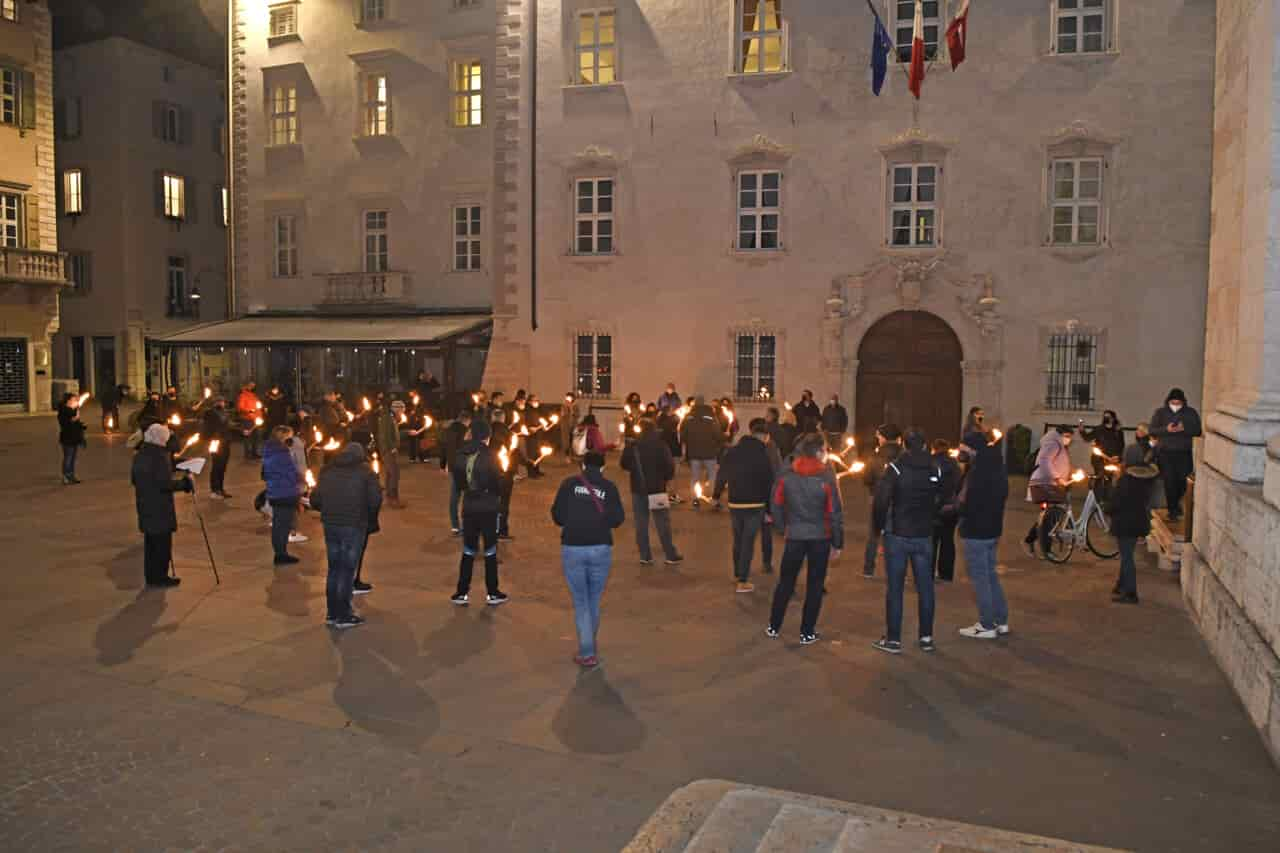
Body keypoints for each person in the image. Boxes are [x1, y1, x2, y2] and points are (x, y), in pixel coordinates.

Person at [766, 434, 844, 644]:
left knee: (785, 581)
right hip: (821, 537)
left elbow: (776, 503)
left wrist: (783, 527)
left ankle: (774, 626)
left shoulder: (788, 473)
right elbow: (835, 511)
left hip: (795, 536)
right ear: (819, 452)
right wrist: (837, 542)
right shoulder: (827, 475)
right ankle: (807, 631)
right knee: (815, 585)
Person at [551, 451, 626, 667]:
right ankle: (589, 646)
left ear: (583, 466)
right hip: (600, 547)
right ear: (603, 468)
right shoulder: (610, 488)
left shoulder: (568, 484)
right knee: (593, 600)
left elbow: (557, 516)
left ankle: (587, 651)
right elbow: (617, 519)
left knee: (581, 601)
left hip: (573, 547)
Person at [872, 429, 943, 655]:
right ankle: (926, 637)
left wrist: (879, 526)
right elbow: (941, 495)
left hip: (898, 534)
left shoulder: (895, 468)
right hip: (923, 534)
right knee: (926, 588)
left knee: (895, 589)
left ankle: (893, 639)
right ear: (924, 445)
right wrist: (931, 516)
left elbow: (881, 500)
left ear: (903, 444)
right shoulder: (934, 468)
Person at [310, 442, 383, 629]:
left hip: (330, 524)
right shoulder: (366, 472)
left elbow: (315, 499)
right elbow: (375, 500)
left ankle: (332, 612)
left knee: (334, 568)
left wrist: (327, 509)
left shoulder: (327, 470)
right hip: (353, 525)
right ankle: (343, 614)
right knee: (347, 569)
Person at [956, 428, 1011, 639]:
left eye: (963, 448)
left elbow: (968, 502)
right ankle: (1001, 620)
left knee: (980, 578)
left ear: (972, 449)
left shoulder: (977, 472)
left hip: (976, 531)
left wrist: (956, 511)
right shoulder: (997, 467)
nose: (960, 452)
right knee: (990, 575)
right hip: (993, 529)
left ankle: (987, 625)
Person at [714, 418, 776, 593]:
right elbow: (768, 482)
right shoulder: (762, 455)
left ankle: (737, 573)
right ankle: (742, 580)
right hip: (755, 504)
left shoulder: (733, 452)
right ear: (763, 437)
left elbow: (722, 474)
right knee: (748, 541)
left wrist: (716, 495)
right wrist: (770, 510)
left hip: (735, 502)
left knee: (738, 539)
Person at [451, 419, 508, 606]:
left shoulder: (460, 453)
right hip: (489, 507)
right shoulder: (491, 455)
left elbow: (458, 482)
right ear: (487, 436)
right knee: (490, 550)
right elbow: (497, 484)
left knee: (468, 549)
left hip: (469, 506)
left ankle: (461, 592)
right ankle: (492, 592)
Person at [131, 423, 192, 588]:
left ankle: (151, 576)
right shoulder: (158, 456)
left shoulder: (142, 453)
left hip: (145, 505)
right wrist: (184, 484)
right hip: (159, 508)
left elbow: (137, 479)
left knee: (151, 544)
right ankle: (160, 577)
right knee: (162, 545)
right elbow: (164, 483)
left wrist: (180, 463)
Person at [620, 419, 683, 566]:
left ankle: (645, 556)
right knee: (662, 523)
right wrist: (665, 479)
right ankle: (670, 554)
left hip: (638, 489)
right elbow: (669, 467)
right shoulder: (661, 445)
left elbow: (624, 464)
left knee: (641, 523)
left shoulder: (633, 445)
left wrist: (635, 470)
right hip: (657, 490)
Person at [1110, 443, 1160, 604]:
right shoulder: (1147, 477)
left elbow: (1116, 502)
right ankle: (1121, 584)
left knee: (1126, 558)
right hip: (1139, 520)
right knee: (1127, 554)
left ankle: (1130, 593)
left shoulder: (1126, 479)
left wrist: (1107, 507)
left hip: (1125, 522)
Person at [1149, 388, 1202, 522]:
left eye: (1178, 402)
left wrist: (1185, 429)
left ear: (1183, 402)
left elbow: (1198, 430)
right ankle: (1172, 510)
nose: (1176, 405)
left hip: (1184, 452)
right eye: (1173, 402)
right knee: (1169, 481)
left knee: (1183, 481)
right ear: (1169, 401)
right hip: (1165, 453)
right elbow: (1152, 430)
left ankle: (1176, 502)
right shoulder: (1160, 413)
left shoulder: (1191, 413)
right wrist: (1166, 429)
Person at [1024, 426, 1074, 558]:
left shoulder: (1057, 444)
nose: (1069, 439)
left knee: (1050, 516)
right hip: (1045, 483)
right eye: (1068, 436)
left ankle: (1030, 540)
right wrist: (1057, 478)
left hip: (1050, 483)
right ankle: (1046, 550)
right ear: (1061, 434)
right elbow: (1045, 461)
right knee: (1052, 516)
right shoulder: (1053, 444)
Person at [862, 424, 902, 578]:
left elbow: (867, 478)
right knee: (898, 533)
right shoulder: (904, 454)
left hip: (878, 497)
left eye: (878, 436)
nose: (877, 438)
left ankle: (868, 568)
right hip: (900, 499)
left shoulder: (875, 456)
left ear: (884, 437)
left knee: (874, 531)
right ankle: (897, 571)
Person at [262, 425, 303, 565]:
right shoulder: (281, 453)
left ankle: (280, 552)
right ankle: (281, 554)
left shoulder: (270, 450)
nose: (291, 439)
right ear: (283, 437)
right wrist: (300, 478)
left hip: (275, 492)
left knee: (279, 524)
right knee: (283, 525)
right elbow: (290, 473)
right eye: (289, 437)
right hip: (285, 492)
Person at [680, 396, 725, 509]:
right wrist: (719, 443)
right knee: (712, 476)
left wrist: (687, 445)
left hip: (694, 452)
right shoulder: (711, 416)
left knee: (695, 477)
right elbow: (717, 433)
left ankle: (695, 499)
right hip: (710, 451)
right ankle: (714, 499)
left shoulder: (688, 416)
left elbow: (682, 433)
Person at [930, 438, 961, 582]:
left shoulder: (931, 463)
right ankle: (946, 574)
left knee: (932, 542)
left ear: (934, 449)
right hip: (951, 508)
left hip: (935, 509)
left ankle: (928, 574)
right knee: (948, 541)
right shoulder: (955, 465)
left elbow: (931, 487)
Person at [441, 409, 471, 534]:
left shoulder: (448, 431)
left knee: (454, 497)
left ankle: (455, 526)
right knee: (467, 497)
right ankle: (466, 525)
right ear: (466, 420)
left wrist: (443, 465)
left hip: (453, 466)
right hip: (464, 466)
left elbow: (443, 447)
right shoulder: (466, 431)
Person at [373, 399, 404, 508]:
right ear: (397, 409)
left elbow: (392, 434)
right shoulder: (387, 418)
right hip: (388, 451)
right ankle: (393, 499)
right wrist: (391, 448)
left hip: (389, 450)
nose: (402, 413)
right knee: (394, 474)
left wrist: (405, 433)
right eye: (401, 410)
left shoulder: (391, 418)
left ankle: (389, 498)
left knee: (390, 474)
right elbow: (384, 435)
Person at [202, 397, 233, 499]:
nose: (222, 403)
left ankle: (220, 488)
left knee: (223, 466)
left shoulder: (225, 413)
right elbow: (207, 427)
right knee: (216, 466)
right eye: (219, 401)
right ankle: (214, 490)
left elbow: (228, 426)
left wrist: (241, 430)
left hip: (225, 442)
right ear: (215, 403)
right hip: (215, 442)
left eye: (222, 401)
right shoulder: (210, 413)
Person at [57, 392, 87, 485]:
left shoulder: (73, 410)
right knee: (68, 458)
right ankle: (66, 476)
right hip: (67, 438)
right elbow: (66, 424)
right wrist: (74, 418)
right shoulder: (64, 411)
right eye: (73, 400)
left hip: (74, 438)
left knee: (73, 458)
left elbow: (76, 423)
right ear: (68, 401)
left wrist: (81, 425)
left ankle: (71, 475)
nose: (75, 401)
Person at [237, 382, 263, 459]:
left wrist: (260, 413)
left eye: (254, 386)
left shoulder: (255, 396)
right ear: (246, 386)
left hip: (256, 419)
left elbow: (258, 407)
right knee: (248, 436)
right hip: (247, 419)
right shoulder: (242, 395)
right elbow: (240, 408)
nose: (252, 387)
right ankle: (248, 454)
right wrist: (249, 410)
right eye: (251, 385)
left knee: (257, 436)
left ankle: (254, 452)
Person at [561, 393, 581, 460]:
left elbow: (578, 414)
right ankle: (567, 456)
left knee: (573, 440)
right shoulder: (564, 405)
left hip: (573, 425)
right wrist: (568, 409)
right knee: (566, 441)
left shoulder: (576, 405)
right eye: (567, 397)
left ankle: (572, 455)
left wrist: (572, 410)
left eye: (570, 397)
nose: (568, 399)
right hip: (566, 426)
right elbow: (563, 414)